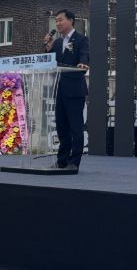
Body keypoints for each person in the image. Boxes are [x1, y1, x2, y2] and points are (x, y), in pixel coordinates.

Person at [43, 9, 89, 171]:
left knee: (76, 128)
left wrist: (83, 63)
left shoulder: (81, 39)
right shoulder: (56, 42)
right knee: (62, 128)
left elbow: (84, 55)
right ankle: (62, 160)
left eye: (60, 20)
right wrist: (48, 49)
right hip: (59, 90)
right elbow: (50, 63)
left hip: (75, 90)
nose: (58, 23)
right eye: (56, 21)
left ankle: (74, 162)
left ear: (71, 20)